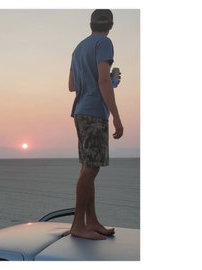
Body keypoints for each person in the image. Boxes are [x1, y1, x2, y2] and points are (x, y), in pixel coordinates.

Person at [68, 9, 124, 240]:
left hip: (80, 111)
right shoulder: (105, 43)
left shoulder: (79, 48)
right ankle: (77, 224)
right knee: (91, 169)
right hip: (94, 112)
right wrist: (117, 117)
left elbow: (72, 85)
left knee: (88, 167)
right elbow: (102, 80)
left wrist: (107, 80)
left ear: (91, 24)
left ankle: (91, 221)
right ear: (110, 25)